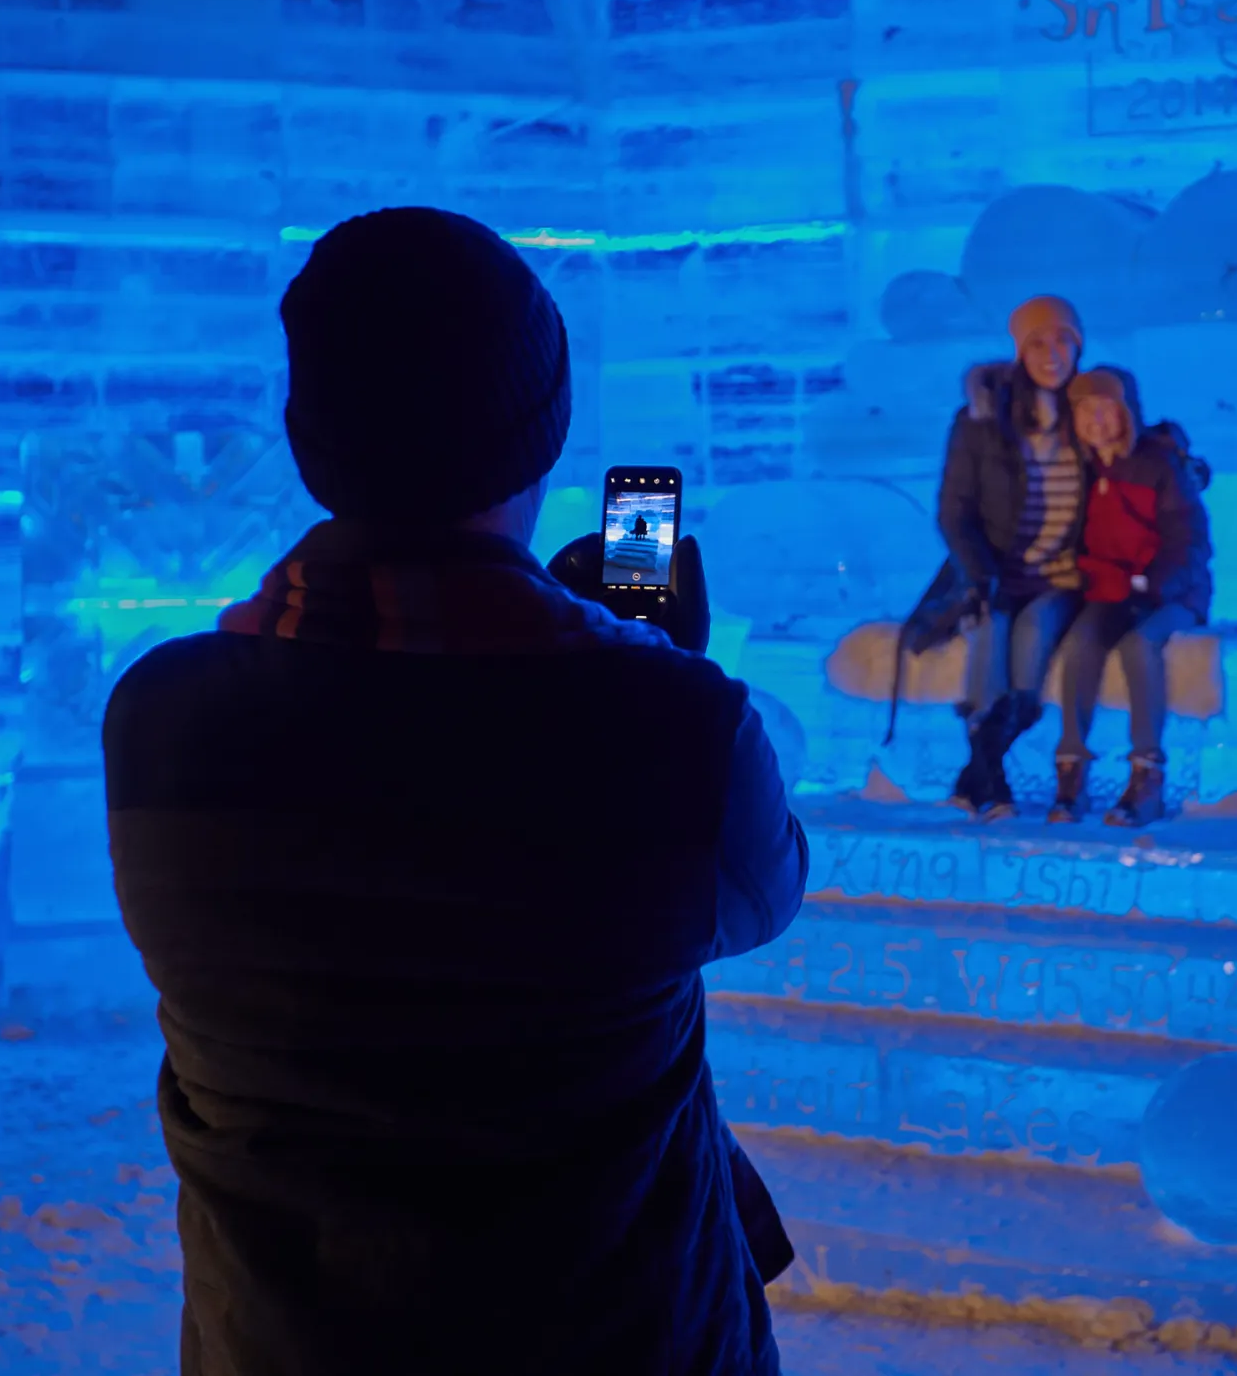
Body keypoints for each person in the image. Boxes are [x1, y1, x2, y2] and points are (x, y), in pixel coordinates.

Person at [102, 207, 808, 1376]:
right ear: (542, 434)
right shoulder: (671, 728)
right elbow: (761, 890)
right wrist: (655, 668)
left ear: (308, 432)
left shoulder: (162, 719)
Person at [928, 294, 1089, 819]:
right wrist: (980, 576)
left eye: (1064, 339)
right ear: (1019, 350)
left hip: (1060, 580)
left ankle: (978, 778)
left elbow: (1136, 448)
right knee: (988, 637)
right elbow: (954, 511)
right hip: (994, 573)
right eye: (1038, 341)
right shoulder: (981, 419)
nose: (1052, 353)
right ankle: (988, 781)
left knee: (1031, 644)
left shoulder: (1089, 411)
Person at [1045, 365, 1212, 827]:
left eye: (1106, 410)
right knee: (1080, 645)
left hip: (1169, 592)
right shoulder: (1078, 470)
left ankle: (1147, 775)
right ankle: (1071, 771)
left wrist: (1153, 585)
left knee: (1140, 646)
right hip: (1112, 591)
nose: (1096, 421)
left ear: (1126, 414)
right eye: (1085, 411)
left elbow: (1190, 540)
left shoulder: (1158, 466)